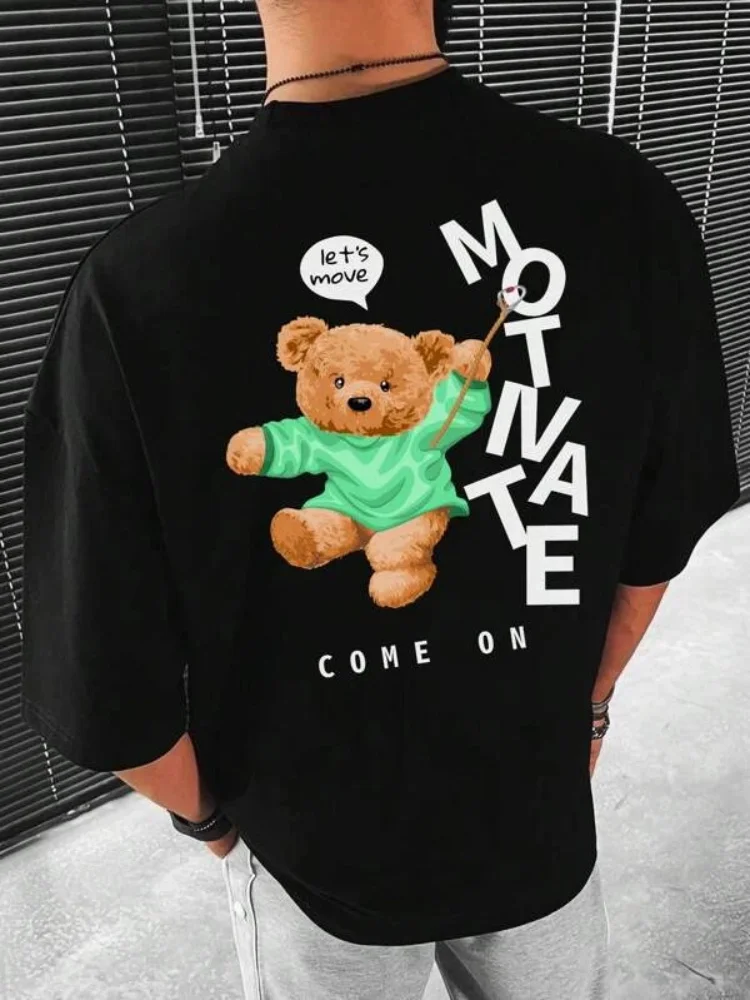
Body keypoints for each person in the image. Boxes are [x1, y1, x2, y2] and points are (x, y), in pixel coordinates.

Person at [20, 0, 739, 997]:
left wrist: (213, 823)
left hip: (311, 861)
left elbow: (109, 697)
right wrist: (589, 709)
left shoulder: (134, 288)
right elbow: (657, 543)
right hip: (534, 815)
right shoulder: (625, 205)